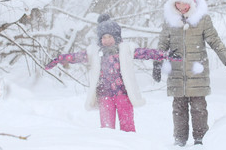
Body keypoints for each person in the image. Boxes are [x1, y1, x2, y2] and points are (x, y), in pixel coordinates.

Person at [45, 13, 180, 132]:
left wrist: (165, 55)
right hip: (105, 97)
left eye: (110, 36)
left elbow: (146, 53)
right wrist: (59, 59)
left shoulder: (126, 49)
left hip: (123, 95)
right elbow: (75, 57)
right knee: (107, 130)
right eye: (104, 37)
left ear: (116, 37)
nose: (107, 40)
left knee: (127, 128)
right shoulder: (95, 52)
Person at [153, 0, 226, 146]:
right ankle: (179, 140)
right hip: (177, 74)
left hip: (196, 72)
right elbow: (163, 44)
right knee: (178, 109)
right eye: (178, 3)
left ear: (191, 2)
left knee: (199, 108)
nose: (181, 6)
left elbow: (215, 41)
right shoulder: (170, 21)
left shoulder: (202, 19)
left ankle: (201, 139)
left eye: (184, 3)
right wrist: (157, 63)